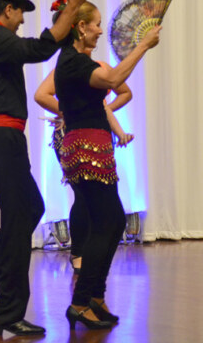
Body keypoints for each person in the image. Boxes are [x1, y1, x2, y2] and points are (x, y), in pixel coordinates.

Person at [0, 0, 101, 336]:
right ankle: (8, 310)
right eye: (20, 14)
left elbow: (35, 47)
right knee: (22, 216)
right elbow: (40, 48)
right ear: (7, 9)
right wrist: (72, 8)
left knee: (28, 209)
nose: (22, 21)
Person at [52, 0, 161, 329]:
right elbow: (114, 78)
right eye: (96, 24)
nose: (101, 30)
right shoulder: (73, 62)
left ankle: (94, 296)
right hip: (85, 148)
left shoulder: (76, 61)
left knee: (110, 223)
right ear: (81, 27)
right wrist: (142, 45)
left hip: (90, 146)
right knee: (109, 221)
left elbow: (111, 84)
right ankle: (82, 300)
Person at [35, 54, 133, 274]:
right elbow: (41, 95)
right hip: (71, 134)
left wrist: (104, 117)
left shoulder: (102, 68)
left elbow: (125, 93)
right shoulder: (67, 67)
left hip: (98, 135)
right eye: (95, 25)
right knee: (82, 195)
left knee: (97, 200)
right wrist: (67, 111)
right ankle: (78, 253)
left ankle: (90, 252)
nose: (98, 31)